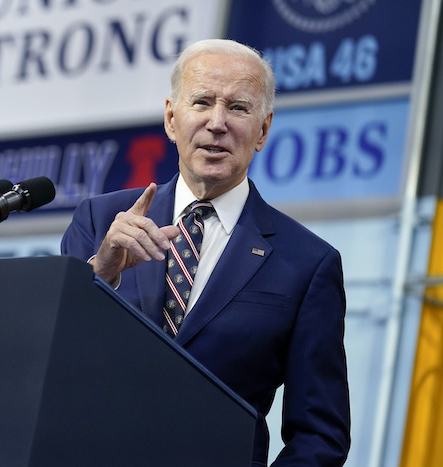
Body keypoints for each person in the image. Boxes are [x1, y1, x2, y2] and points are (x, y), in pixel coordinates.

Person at [60, 39, 350, 466]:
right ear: (171, 118)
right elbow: (54, 356)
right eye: (201, 102)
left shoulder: (307, 264)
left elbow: (320, 435)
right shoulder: (99, 220)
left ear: (263, 130)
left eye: (237, 108)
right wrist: (99, 274)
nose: (217, 123)